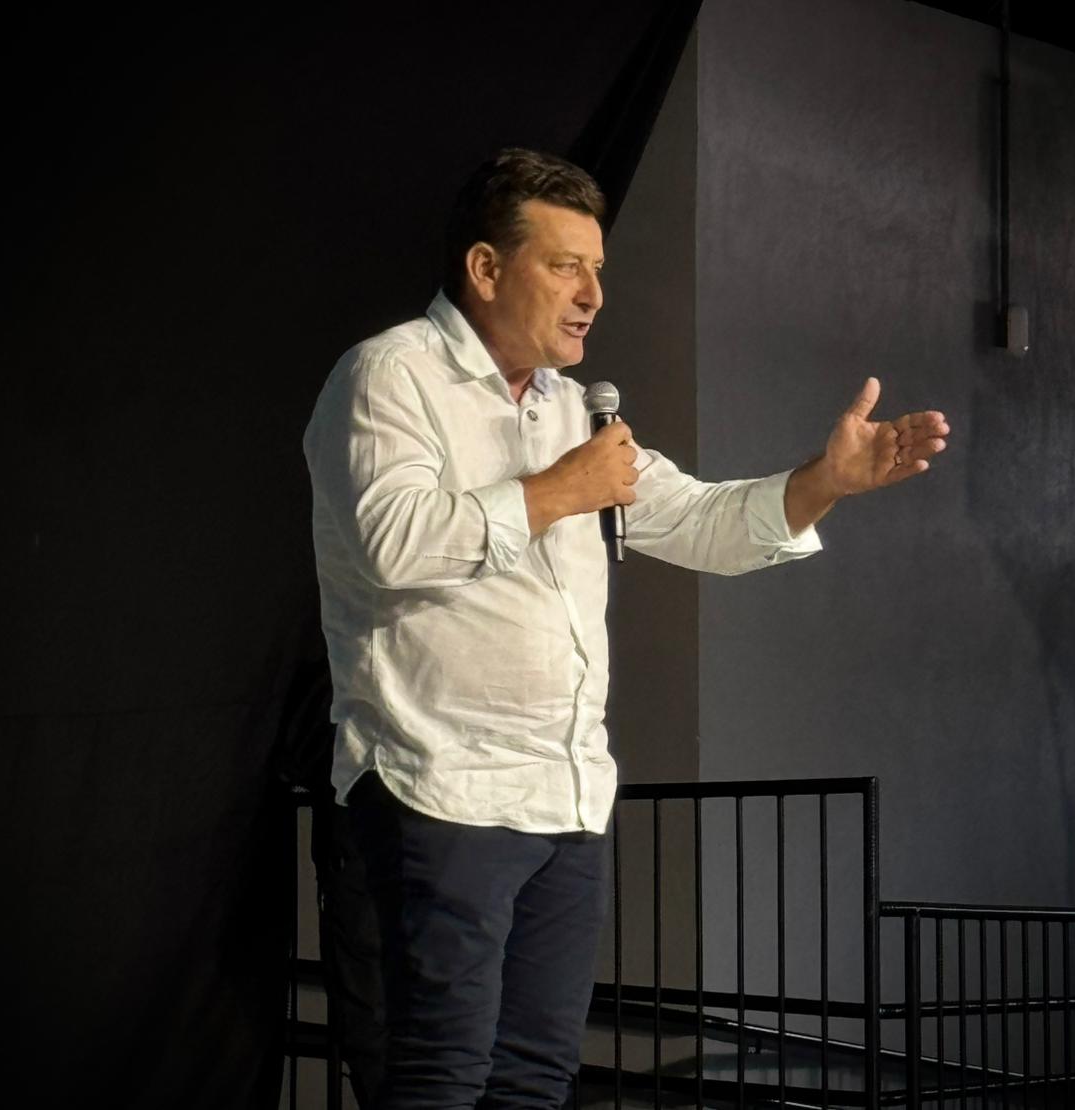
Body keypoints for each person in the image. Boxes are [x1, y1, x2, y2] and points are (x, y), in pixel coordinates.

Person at [302, 147, 949, 1109]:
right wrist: (559, 490)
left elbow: (701, 521)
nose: (593, 295)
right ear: (486, 269)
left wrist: (826, 483)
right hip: (437, 785)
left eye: (598, 269)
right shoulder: (391, 376)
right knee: (437, 1075)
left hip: (565, 799)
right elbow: (393, 544)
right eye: (566, 265)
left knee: (535, 1081)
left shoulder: (572, 410)